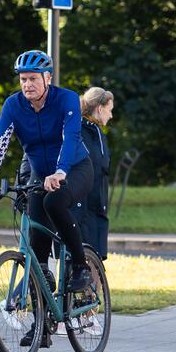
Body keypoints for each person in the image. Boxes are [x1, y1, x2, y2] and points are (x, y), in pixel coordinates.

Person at [0, 50, 93, 348]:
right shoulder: (13, 105)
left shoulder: (65, 99)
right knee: (34, 239)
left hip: (75, 168)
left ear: (47, 78)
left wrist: (61, 172)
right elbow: (0, 142)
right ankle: (43, 323)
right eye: (23, 79)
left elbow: (71, 138)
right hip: (41, 176)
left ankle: (80, 267)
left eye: (32, 79)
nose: (27, 84)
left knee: (54, 204)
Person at [69, 87, 114, 260]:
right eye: (109, 110)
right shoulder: (81, 131)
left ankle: (92, 286)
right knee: (85, 256)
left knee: (94, 257)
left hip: (95, 205)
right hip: (84, 206)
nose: (111, 116)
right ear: (100, 108)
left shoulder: (96, 132)